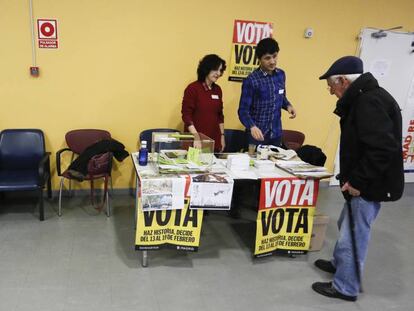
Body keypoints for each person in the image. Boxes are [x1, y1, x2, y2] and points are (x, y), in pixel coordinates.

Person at [313, 56, 404, 301]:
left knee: (353, 235)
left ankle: (346, 287)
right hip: (363, 180)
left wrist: (358, 181)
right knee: (346, 224)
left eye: (331, 86)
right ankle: (339, 263)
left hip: (368, 184)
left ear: (343, 81)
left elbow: (382, 148)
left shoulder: (368, 102)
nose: (331, 91)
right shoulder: (367, 97)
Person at [238, 37, 296, 148]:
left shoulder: (281, 75)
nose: (272, 61)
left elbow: (281, 96)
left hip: (276, 133)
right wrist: (252, 127)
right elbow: (243, 111)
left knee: (274, 164)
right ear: (259, 59)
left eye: (274, 56)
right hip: (257, 135)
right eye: (267, 58)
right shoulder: (251, 80)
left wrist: (288, 105)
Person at [181, 54, 227, 152]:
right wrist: (196, 136)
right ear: (207, 69)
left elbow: (220, 115)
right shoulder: (193, 88)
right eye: (216, 70)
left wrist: (222, 136)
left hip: (213, 139)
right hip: (195, 139)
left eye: (220, 70)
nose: (218, 73)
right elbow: (186, 115)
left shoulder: (218, 90)